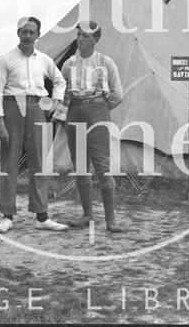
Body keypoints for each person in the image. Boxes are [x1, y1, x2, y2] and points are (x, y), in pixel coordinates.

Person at [0, 16, 69, 233]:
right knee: (10, 163)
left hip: (36, 108)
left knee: (39, 162)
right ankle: (7, 216)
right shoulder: (6, 60)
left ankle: (42, 216)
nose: (27, 36)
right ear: (18, 34)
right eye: (23, 32)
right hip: (11, 109)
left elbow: (60, 81)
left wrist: (56, 102)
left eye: (31, 32)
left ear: (38, 35)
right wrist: (0, 123)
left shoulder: (44, 60)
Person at [61, 20, 124, 233]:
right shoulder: (69, 64)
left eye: (85, 36)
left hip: (98, 112)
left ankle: (111, 220)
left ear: (96, 39)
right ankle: (87, 215)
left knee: (102, 167)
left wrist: (100, 108)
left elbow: (117, 94)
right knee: (80, 167)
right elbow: (63, 93)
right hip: (75, 112)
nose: (80, 39)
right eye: (78, 35)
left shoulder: (106, 63)